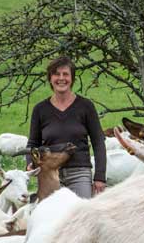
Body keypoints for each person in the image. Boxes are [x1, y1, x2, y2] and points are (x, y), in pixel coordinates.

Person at [26, 56, 106, 197]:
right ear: (50, 78)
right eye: (56, 74)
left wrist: (99, 176)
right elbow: (33, 143)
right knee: (52, 217)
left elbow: (98, 142)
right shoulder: (40, 109)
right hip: (49, 174)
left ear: (72, 78)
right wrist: (29, 163)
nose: (61, 78)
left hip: (79, 174)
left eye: (66, 74)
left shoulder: (86, 106)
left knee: (81, 216)